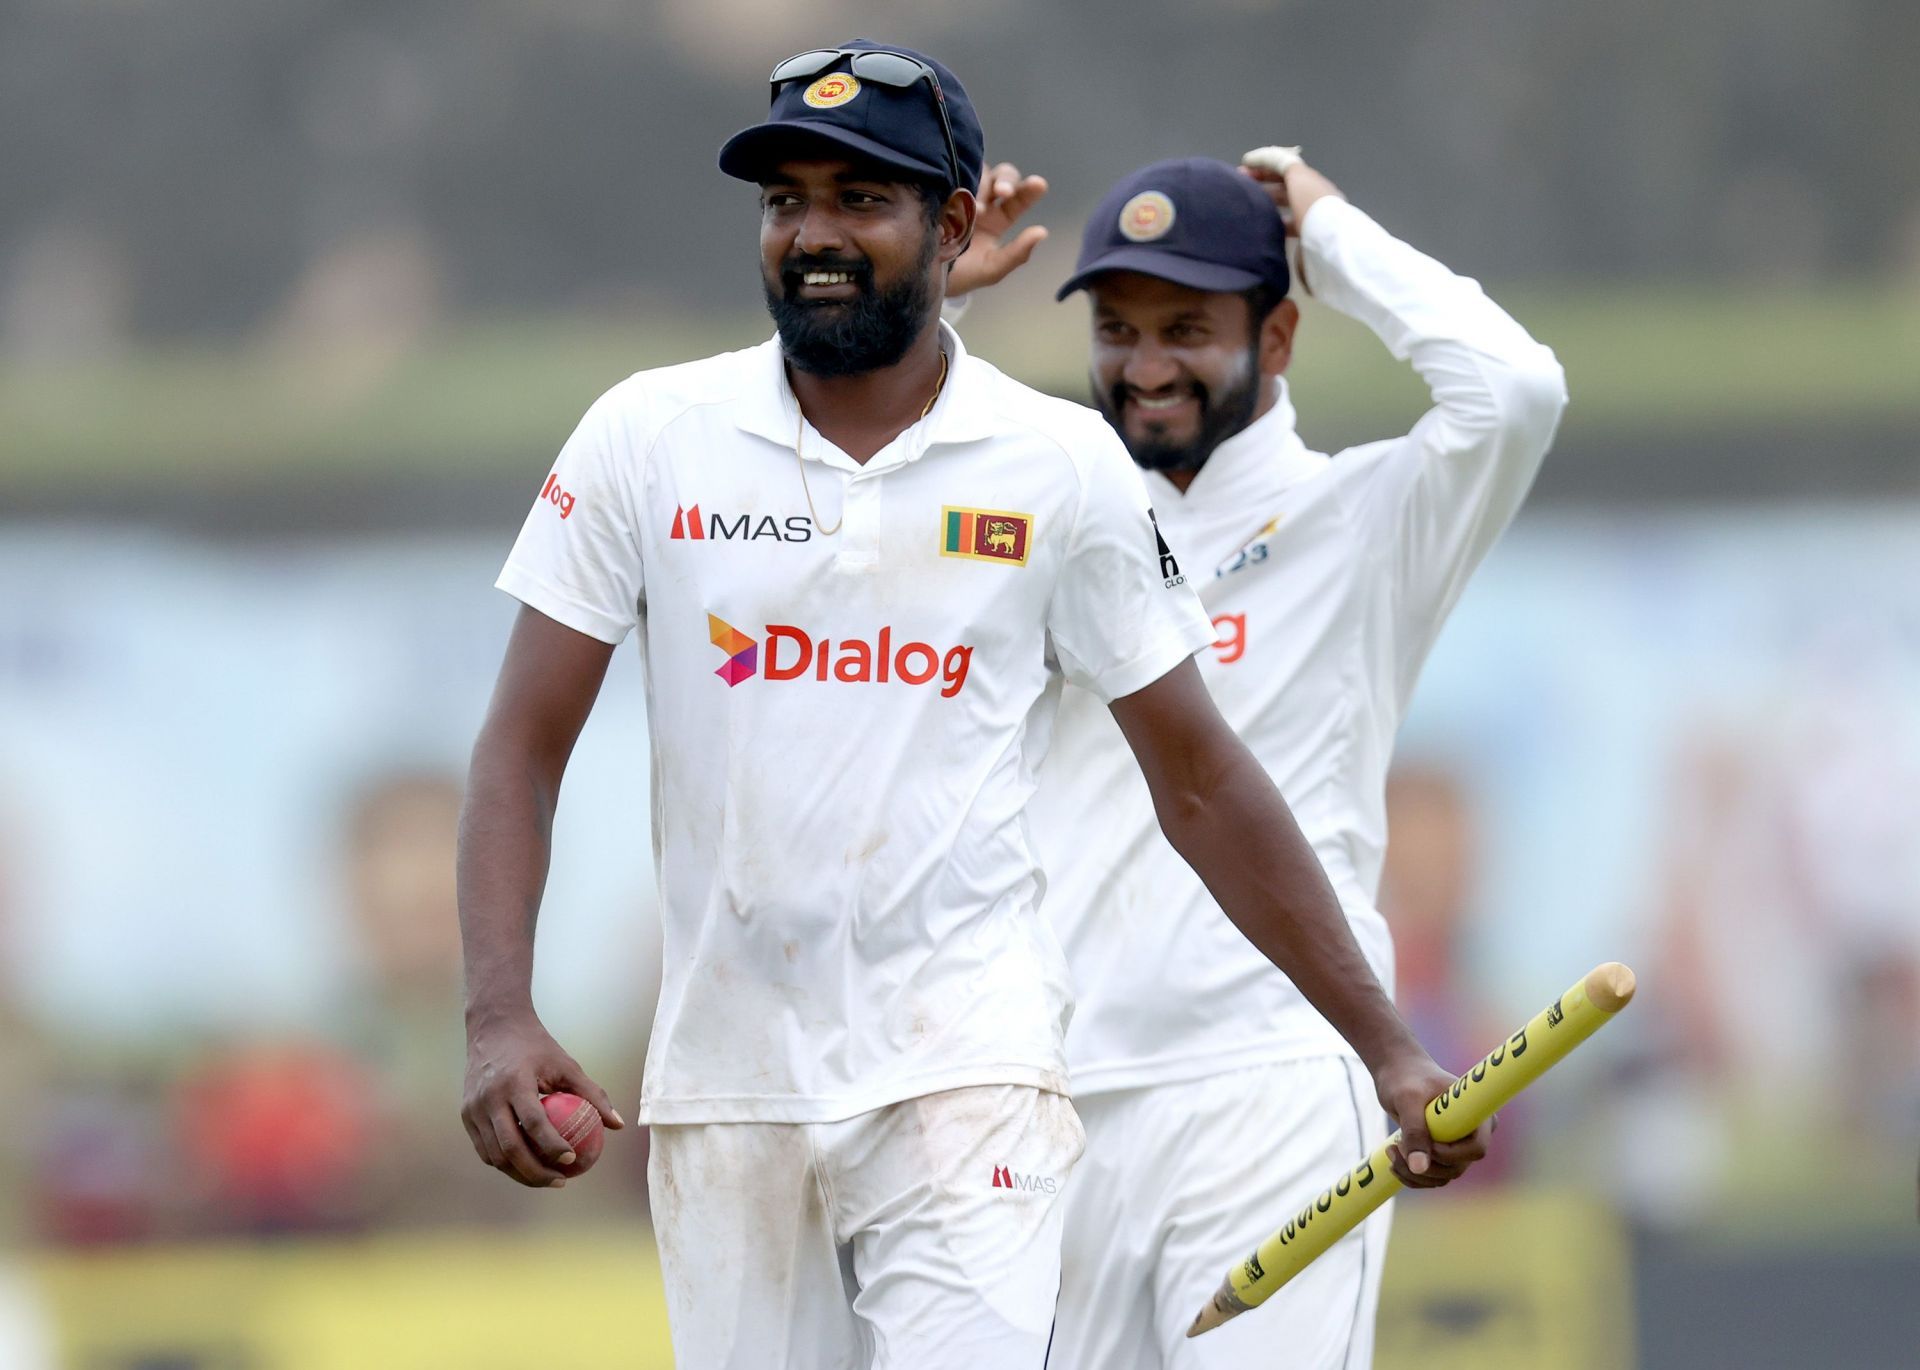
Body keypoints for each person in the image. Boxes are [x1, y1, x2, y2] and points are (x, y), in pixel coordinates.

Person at [457, 46, 1479, 1367]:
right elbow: (520, 751)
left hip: (969, 1084)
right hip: (730, 1087)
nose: (813, 233)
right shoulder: (649, 436)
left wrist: (1387, 1048)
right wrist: (497, 1013)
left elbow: (1202, 780)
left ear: (950, 225)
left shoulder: (1059, 463)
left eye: (859, 200)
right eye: (786, 202)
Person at [954, 151, 1567, 1366]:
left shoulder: (1363, 518)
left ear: (1277, 335)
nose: (1146, 365)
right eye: (1120, 329)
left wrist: (1331, 232)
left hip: (1273, 1082)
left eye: (1189, 327)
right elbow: (861, 488)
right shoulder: (1051, 517)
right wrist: (940, 307)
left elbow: (1514, 390)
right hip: (1056, 1104)